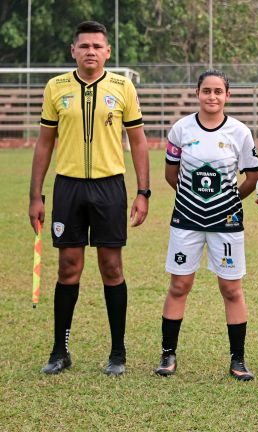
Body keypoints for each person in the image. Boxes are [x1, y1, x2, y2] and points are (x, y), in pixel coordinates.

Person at [29, 21, 150, 376]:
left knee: (111, 267)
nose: (91, 52)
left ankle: (117, 352)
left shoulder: (122, 87)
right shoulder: (56, 88)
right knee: (68, 266)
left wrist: (143, 192)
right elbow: (44, 142)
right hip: (68, 187)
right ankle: (60, 349)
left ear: (108, 52)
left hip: (109, 187)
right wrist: (35, 195)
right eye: (84, 46)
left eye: (98, 46)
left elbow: (139, 141)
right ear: (73, 51)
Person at [154, 70, 258, 381]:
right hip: (186, 220)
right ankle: (168, 353)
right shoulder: (181, 129)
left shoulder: (240, 133)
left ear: (227, 95)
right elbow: (170, 175)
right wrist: (192, 200)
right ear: (197, 93)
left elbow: (252, 177)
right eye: (206, 91)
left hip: (226, 223)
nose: (212, 96)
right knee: (179, 285)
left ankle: (238, 359)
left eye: (218, 91)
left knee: (231, 288)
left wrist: (230, 200)